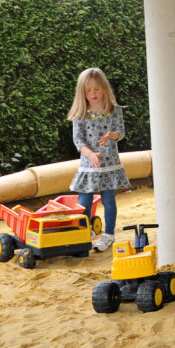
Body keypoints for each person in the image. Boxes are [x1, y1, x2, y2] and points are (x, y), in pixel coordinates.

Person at [67, 67, 129, 251]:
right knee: (84, 201)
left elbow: (121, 132)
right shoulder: (80, 114)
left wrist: (112, 136)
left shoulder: (114, 110)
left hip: (109, 165)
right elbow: (78, 140)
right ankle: (83, 233)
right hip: (89, 166)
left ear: (104, 88)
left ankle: (108, 235)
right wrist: (91, 155)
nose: (93, 93)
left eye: (97, 89)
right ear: (82, 92)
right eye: (88, 90)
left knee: (108, 200)